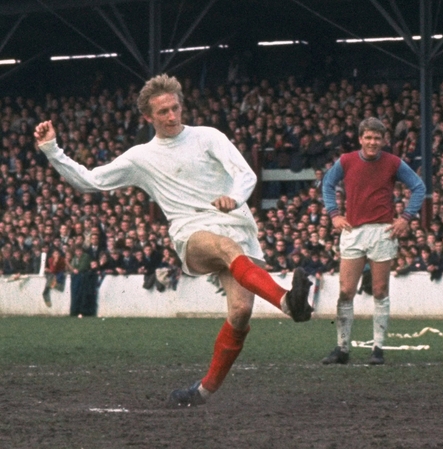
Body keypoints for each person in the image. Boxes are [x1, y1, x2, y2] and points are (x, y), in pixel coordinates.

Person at [34, 74, 313, 408]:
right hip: (191, 230)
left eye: (175, 108)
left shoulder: (208, 137)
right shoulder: (141, 157)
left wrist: (234, 198)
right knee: (225, 249)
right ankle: (287, 302)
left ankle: (202, 392)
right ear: (148, 117)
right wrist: (52, 149)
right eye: (162, 111)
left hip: (236, 224)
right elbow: (89, 181)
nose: (171, 116)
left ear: (182, 105)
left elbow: (246, 174)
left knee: (240, 311)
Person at [321, 117, 425, 365]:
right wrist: (334, 214)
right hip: (354, 231)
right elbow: (327, 184)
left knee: (380, 290)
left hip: (382, 231)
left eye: (377, 138)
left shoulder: (393, 162)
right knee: (346, 291)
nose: (372, 142)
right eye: (368, 137)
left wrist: (406, 218)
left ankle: (378, 348)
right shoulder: (346, 161)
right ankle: (342, 348)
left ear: (383, 140)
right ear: (360, 139)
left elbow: (418, 187)